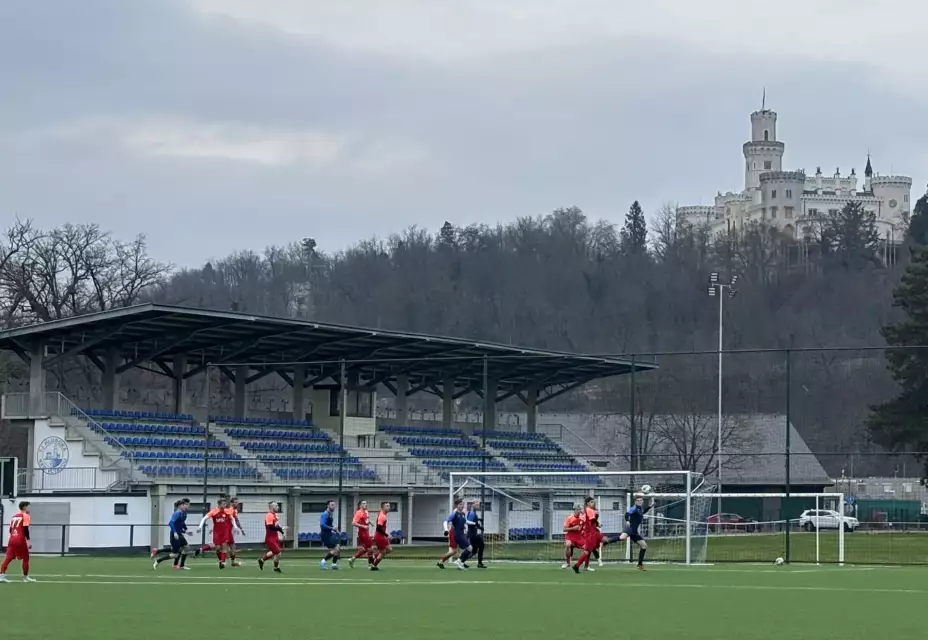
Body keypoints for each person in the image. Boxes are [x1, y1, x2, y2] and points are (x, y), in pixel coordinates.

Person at [197, 498, 242, 569]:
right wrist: (200, 527)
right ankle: (204, 550)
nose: (225, 505)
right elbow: (204, 518)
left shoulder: (227, 511)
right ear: (219, 504)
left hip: (225, 532)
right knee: (217, 548)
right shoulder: (214, 511)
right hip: (217, 532)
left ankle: (223, 563)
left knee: (225, 547)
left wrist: (235, 527)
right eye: (224, 504)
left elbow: (232, 519)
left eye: (225, 504)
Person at [1, 501, 35, 582]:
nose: (29, 508)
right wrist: (28, 541)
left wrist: (14, 535)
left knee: (8, 558)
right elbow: (26, 530)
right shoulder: (26, 516)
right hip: (20, 539)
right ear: (24, 507)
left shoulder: (14, 516)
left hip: (12, 539)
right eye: (27, 506)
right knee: (26, 558)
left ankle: (1, 576)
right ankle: (25, 577)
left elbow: (10, 530)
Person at [153, 499, 192, 570]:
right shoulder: (177, 513)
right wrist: (175, 532)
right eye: (185, 505)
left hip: (179, 534)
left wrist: (186, 531)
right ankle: (158, 561)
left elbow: (181, 523)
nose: (187, 506)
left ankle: (182, 566)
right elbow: (171, 523)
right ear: (180, 506)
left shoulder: (183, 513)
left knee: (186, 548)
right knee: (175, 554)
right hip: (175, 535)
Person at [619, 495, 653, 571]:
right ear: (635, 502)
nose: (639, 501)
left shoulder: (639, 509)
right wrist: (627, 520)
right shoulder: (634, 508)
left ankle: (640, 564)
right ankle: (605, 542)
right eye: (638, 500)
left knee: (644, 546)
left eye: (641, 500)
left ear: (642, 501)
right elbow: (627, 514)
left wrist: (649, 507)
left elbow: (642, 513)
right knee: (621, 538)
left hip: (634, 532)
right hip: (631, 530)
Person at [445, 499, 474, 570]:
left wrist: (474, 523)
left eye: (463, 504)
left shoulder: (463, 514)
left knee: (469, 549)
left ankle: (460, 564)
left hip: (462, 533)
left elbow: (465, 521)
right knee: (470, 548)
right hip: (457, 534)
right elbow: (446, 521)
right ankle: (459, 560)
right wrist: (446, 529)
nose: (462, 505)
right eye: (460, 504)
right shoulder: (454, 513)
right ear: (456, 505)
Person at [258, 501, 284, 573]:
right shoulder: (269, 515)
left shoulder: (275, 515)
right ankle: (276, 567)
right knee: (278, 553)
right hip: (270, 538)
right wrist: (279, 529)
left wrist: (282, 532)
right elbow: (271, 527)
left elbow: (276, 526)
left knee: (273, 552)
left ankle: (262, 560)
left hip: (275, 537)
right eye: (276, 506)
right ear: (272, 507)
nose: (278, 507)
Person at [582, 497, 605, 571]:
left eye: (593, 502)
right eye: (592, 502)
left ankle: (587, 565)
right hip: (590, 532)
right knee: (590, 548)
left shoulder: (590, 510)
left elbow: (593, 521)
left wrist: (597, 524)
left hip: (593, 530)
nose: (593, 503)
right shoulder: (589, 510)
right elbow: (592, 520)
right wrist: (596, 518)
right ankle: (585, 565)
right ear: (587, 503)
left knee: (592, 547)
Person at [348, 500, 373, 568]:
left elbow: (366, 520)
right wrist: (363, 526)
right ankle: (370, 564)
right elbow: (353, 523)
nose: (365, 504)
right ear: (360, 505)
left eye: (366, 503)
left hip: (366, 532)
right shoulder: (358, 513)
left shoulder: (366, 511)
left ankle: (352, 559)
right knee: (370, 548)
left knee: (365, 548)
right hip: (362, 533)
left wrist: (370, 522)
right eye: (363, 503)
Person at [370, 501, 392, 571]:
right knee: (384, 551)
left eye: (389, 506)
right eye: (387, 506)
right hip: (380, 536)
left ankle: (374, 558)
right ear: (383, 507)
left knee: (388, 550)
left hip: (381, 536)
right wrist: (386, 535)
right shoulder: (382, 516)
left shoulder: (383, 514)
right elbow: (378, 528)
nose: (389, 507)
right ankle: (374, 564)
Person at [319, 500, 341, 570]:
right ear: (328, 506)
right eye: (332, 505)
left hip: (329, 534)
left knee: (337, 547)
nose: (334, 506)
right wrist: (332, 528)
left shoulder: (330, 514)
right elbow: (322, 525)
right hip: (325, 535)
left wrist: (335, 529)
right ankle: (323, 562)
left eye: (334, 505)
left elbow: (329, 524)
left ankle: (334, 564)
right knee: (336, 548)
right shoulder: (325, 514)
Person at [561, 505, 585, 569]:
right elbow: (564, 529)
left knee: (587, 547)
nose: (578, 511)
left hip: (579, 537)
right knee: (568, 544)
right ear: (574, 510)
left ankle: (583, 564)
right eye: (576, 509)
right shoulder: (569, 518)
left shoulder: (583, 517)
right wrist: (573, 528)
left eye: (579, 509)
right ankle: (567, 563)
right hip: (570, 536)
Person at [466, 500, 487, 569]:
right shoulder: (472, 513)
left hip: (472, 534)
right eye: (476, 502)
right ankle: (479, 563)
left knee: (474, 551)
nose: (478, 503)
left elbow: (473, 521)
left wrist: (479, 520)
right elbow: (469, 523)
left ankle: (462, 560)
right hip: (472, 534)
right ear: (473, 504)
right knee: (481, 546)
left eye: (478, 502)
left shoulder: (473, 512)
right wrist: (478, 526)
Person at [225, 497, 244, 567]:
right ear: (232, 503)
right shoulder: (229, 510)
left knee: (232, 547)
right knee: (226, 547)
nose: (237, 503)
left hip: (231, 531)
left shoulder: (234, 510)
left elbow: (236, 520)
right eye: (236, 502)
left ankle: (232, 562)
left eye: (237, 502)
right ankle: (224, 561)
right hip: (226, 531)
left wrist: (240, 529)